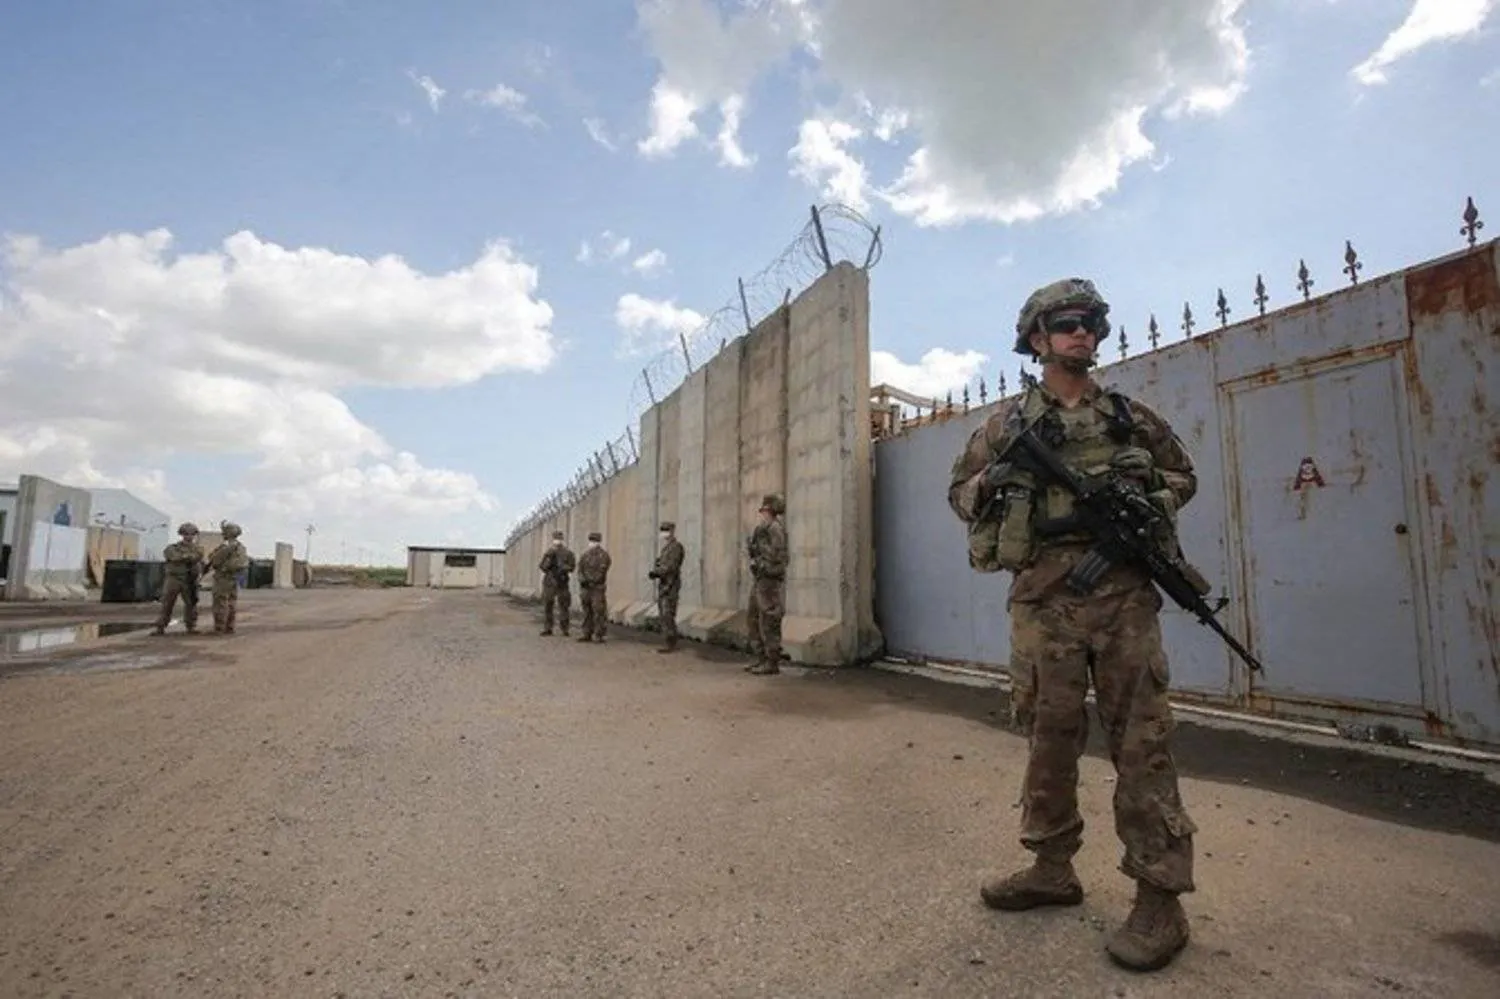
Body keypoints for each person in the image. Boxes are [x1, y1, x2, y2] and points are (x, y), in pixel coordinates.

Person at [947, 277, 1200, 973]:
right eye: (1067, 323)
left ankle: (1160, 895)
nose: (1082, 332)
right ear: (1037, 338)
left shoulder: (1128, 416)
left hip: (1121, 594)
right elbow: (959, 493)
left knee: (1142, 741)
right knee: (1047, 739)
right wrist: (993, 483)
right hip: (1041, 600)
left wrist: (1146, 489)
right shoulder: (1005, 426)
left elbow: (1183, 474)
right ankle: (1051, 868)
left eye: (1091, 322)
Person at [745, 493, 788, 675]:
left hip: (769, 580)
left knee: (769, 619)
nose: (763, 513)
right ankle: (761, 657)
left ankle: (772, 661)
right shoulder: (764, 528)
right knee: (753, 617)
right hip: (761, 578)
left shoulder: (775, 529)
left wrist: (760, 556)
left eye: (765, 510)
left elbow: (777, 556)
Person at [152, 522, 204, 635]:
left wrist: (184, 557)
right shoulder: (172, 548)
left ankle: (191, 626)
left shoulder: (198, 548)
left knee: (191, 603)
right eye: (186, 534)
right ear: (182, 534)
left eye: (191, 534)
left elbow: (197, 557)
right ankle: (161, 626)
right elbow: (172, 556)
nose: (189, 536)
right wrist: (186, 557)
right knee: (167, 603)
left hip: (189, 579)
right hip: (174, 579)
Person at [203, 521, 250, 635]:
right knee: (231, 602)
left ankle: (219, 628)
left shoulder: (226, 546)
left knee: (220, 602)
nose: (222, 533)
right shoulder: (241, 547)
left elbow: (215, 560)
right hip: (234, 577)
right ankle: (230, 627)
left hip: (223, 577)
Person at [647, 521, 683, 653]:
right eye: (662, 530)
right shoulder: (666, 548)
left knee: (668, 614)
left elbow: (671, 567)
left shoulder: (676, 547)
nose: (664, 533)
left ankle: (671, 642)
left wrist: (657, 572)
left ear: (672, 530)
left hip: (670, 585)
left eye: (666, 530)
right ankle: (668, 641)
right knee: (663, 614)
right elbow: (661, 564)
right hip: (664, 584)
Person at [538, 531, 577, 636]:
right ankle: (548, 628)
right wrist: (549, 560)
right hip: (550, 582)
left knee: (564, 605)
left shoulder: (568, 553)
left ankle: (565, 628)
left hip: (562, 581)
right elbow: (542, 566)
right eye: (556, 538)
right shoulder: (549, 552)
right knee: (548, 605)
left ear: (562, 539)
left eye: (559, 538)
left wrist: (562, 567)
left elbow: (572, 567)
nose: (557, 540)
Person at [576, 531, 612, 643]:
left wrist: (592, 580)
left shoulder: (604, 555)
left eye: (594, 540)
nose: (592, 542)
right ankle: (587, 633)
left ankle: (599, 634)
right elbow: (580, 570)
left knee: (598, 611)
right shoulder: (585, 555)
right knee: (587, 611)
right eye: (591, 540)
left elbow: (602, 571)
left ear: (599, 541)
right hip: (586, 588)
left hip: (597, 588)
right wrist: (583, 580)